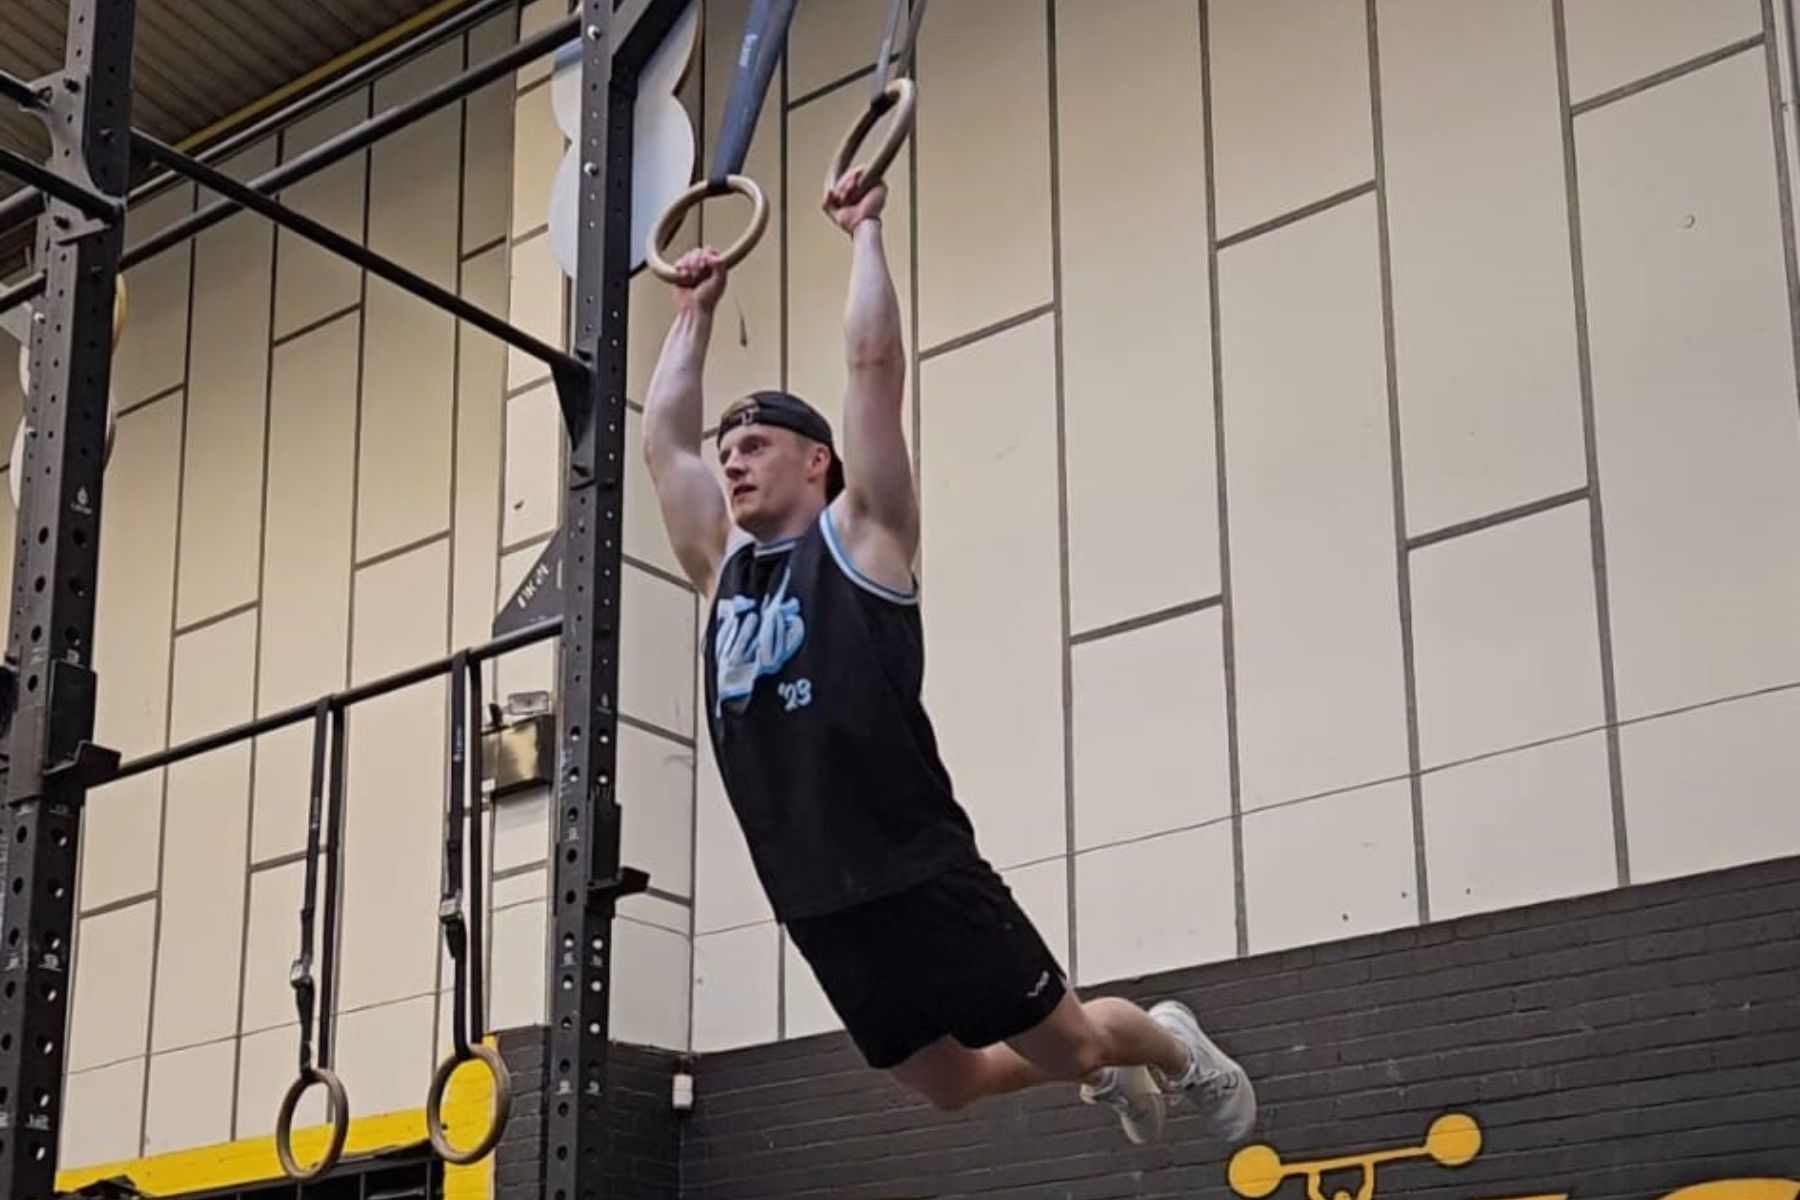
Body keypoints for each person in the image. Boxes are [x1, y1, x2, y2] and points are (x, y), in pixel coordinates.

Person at [641, 166, 1257, 1147]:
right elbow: (664, 445)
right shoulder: (722, 571)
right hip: (813, 896)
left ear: (817, 460)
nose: (733, 461)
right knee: (949, 1084)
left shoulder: (866, 538)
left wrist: (864, 232)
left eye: (755, 445)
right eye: (729, 452)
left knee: (1075, 1044)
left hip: (917, 868)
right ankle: (1106, 1074)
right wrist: (694, 309)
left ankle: (1171, 1044)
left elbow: (873, 365)